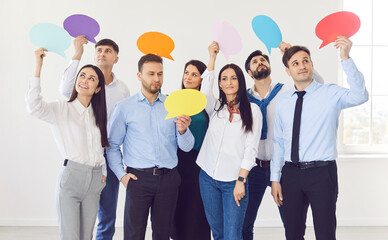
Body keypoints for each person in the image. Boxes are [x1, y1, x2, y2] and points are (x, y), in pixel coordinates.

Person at [271, 36, 368, 240]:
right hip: (290, 174)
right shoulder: (282, 102)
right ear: (288, 71)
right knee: (293, 233)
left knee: (325, 232)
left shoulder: (330, 94)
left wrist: (345, 58)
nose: (302, 66)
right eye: (295, 63)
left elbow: (360, 95)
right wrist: (275, 178)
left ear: (312, 65)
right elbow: (278, 142)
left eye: (305, 60)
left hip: (322, 174)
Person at [107, 54, 195, 240]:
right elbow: (112, 146)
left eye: (160, 74)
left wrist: (183, 131)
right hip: (138, 179)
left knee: (163, 235)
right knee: (133, 235)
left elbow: (187, 148)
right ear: (139, 75)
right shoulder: (124, 107)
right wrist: (122, 177)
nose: (157, 79)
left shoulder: (173, 105)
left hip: (169, 179)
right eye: (151, 74)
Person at [242, 42, 324, 240]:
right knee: (244, 223)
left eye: (263, 60)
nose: (260, 62)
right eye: (255, 61)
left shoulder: (287, 89)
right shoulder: (243, 99)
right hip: (254, 168)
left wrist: (290, 54)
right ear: (249, 72)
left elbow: (317, 83)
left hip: (283, 167)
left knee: (292, 223)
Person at [26, 48, 108, 240]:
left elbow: (100, 147)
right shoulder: (62, 109)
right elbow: (34, 106)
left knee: (86, 236)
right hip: (71, 178)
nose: (84, 80)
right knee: (71, 236)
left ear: (97, 89)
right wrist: (38, 65)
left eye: (91, 78)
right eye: (82, 76)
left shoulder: (99, 116)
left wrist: (103, 172)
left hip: (95, 180)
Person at [59, 36, 130, 240]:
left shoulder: (122, 89)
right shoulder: (83, 83)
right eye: (99, 50)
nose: (102, 53)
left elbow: (127, 125)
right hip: (83, 155)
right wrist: (77, 55)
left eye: (108, 51)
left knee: (107, 211)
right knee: (81, 212)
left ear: (116, 58)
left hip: (109, 154)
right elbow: (65, 90)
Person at [196, 42, 262, 240]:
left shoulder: (253, 111)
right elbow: (205, 90)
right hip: (207, 178)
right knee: (218, 233)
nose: (229, 82)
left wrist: (241, 180)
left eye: (233, 78)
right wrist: (212, 58)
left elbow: (251, 149)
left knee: (233, 235)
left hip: (234, 181)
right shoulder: (214, 108)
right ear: (220, 84)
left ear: (240, 81)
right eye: (224, 79)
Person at [171, 60, 211, 240]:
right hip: (177, 161)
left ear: (202, 79)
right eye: (186, 72)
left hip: (199, 163)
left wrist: (212, 57)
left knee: (197, 210)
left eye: (194, 74)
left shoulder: (206, 102)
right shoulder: (175, 100)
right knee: (179, 208)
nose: (188, 77)